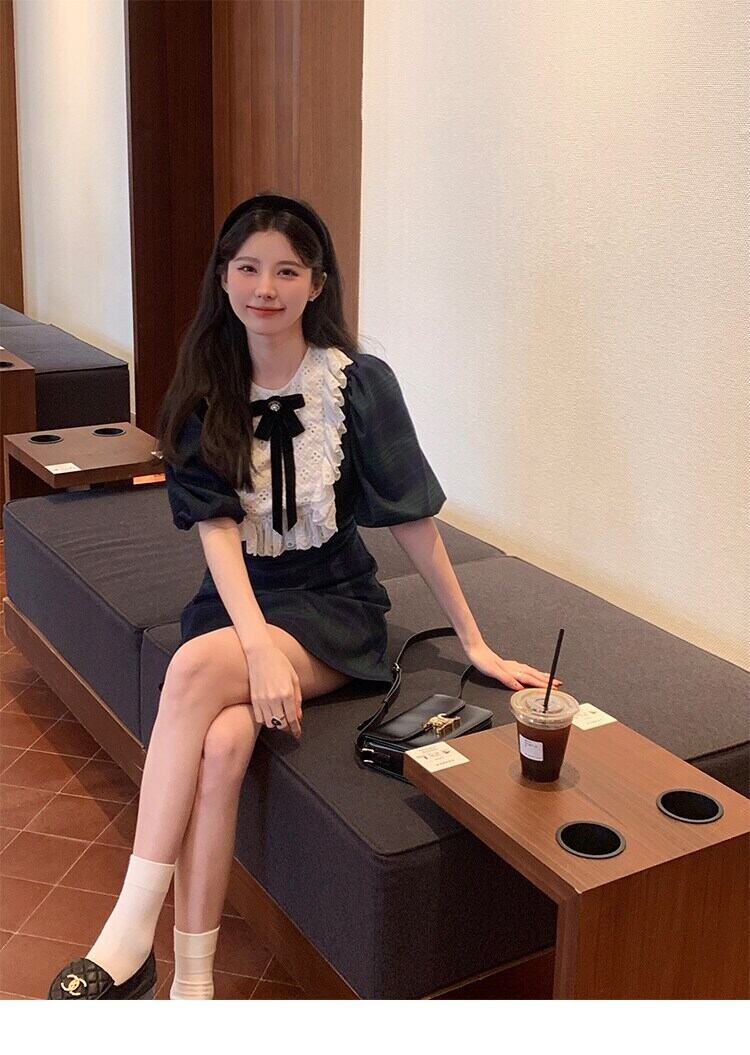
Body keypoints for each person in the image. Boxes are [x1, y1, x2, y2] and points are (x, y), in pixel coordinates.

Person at [47, 191, 562, 1000]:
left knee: (190, 672)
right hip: (238, 605)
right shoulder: (204, 389)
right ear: (223, 277)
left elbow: (414, 521)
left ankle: (126, 933)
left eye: (287, 270)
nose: (266, 287)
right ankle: (191, 986)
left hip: (333, 608)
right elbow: (218, 530)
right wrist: (255, 648)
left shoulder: (359, 385)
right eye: (248, 268)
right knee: (223, 743)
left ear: (318, 283)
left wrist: (474, 641)